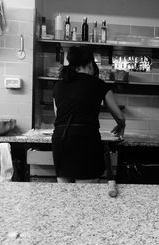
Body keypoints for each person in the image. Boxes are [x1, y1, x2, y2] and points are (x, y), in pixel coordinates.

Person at [52, 46, 125, 183]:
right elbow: (120, 116)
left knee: (63, 193)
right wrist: (121, 125)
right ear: (91, 64)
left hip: (60, 141)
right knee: (87, 193)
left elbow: (58, 116)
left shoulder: (58, 86)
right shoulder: (99, 84)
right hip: (86, 140)